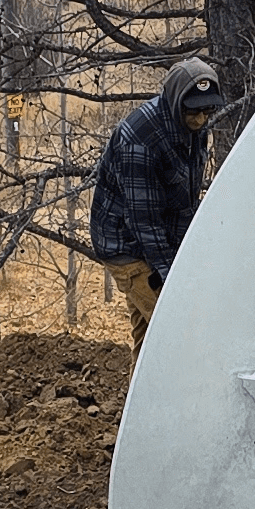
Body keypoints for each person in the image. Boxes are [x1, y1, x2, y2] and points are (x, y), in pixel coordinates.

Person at [90, 56, 231, 348]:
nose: (201, 119)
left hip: (159, 237)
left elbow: (185, 201)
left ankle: (139, 396)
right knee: (175, 335)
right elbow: (144, 222)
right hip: (127, 246)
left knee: (148, 344)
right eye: (193, 112)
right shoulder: (140, 141)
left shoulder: (194, 129)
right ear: (176, 101)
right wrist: (172, 277)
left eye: (207, 111)